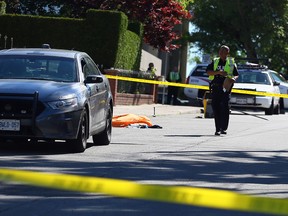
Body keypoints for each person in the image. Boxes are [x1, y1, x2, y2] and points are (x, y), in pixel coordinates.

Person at [206, 45, 239, 136]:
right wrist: (218, 72)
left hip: (226, 87)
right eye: (220, 51)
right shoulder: (215, 61)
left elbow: (236, 74)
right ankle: (217, 128)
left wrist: (233, 79)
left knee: (224, 107)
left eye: (223, 51)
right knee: (216, 107)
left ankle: (223, 128)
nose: (221, 53)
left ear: (227, 53)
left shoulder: (231, 62)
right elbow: (208, 71)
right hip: (216, 87)